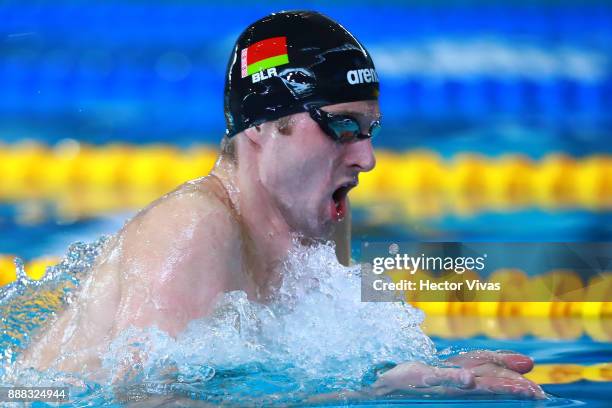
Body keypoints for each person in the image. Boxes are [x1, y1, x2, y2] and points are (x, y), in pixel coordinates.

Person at [17, 10, 544, 400]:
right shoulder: (195, 228)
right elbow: (146, 398)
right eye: (341, 126)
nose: (367, 158)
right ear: (262, 129)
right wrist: (369, 394)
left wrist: (428, 369)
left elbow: (314, 364)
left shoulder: (314, 217)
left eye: (369, 129)